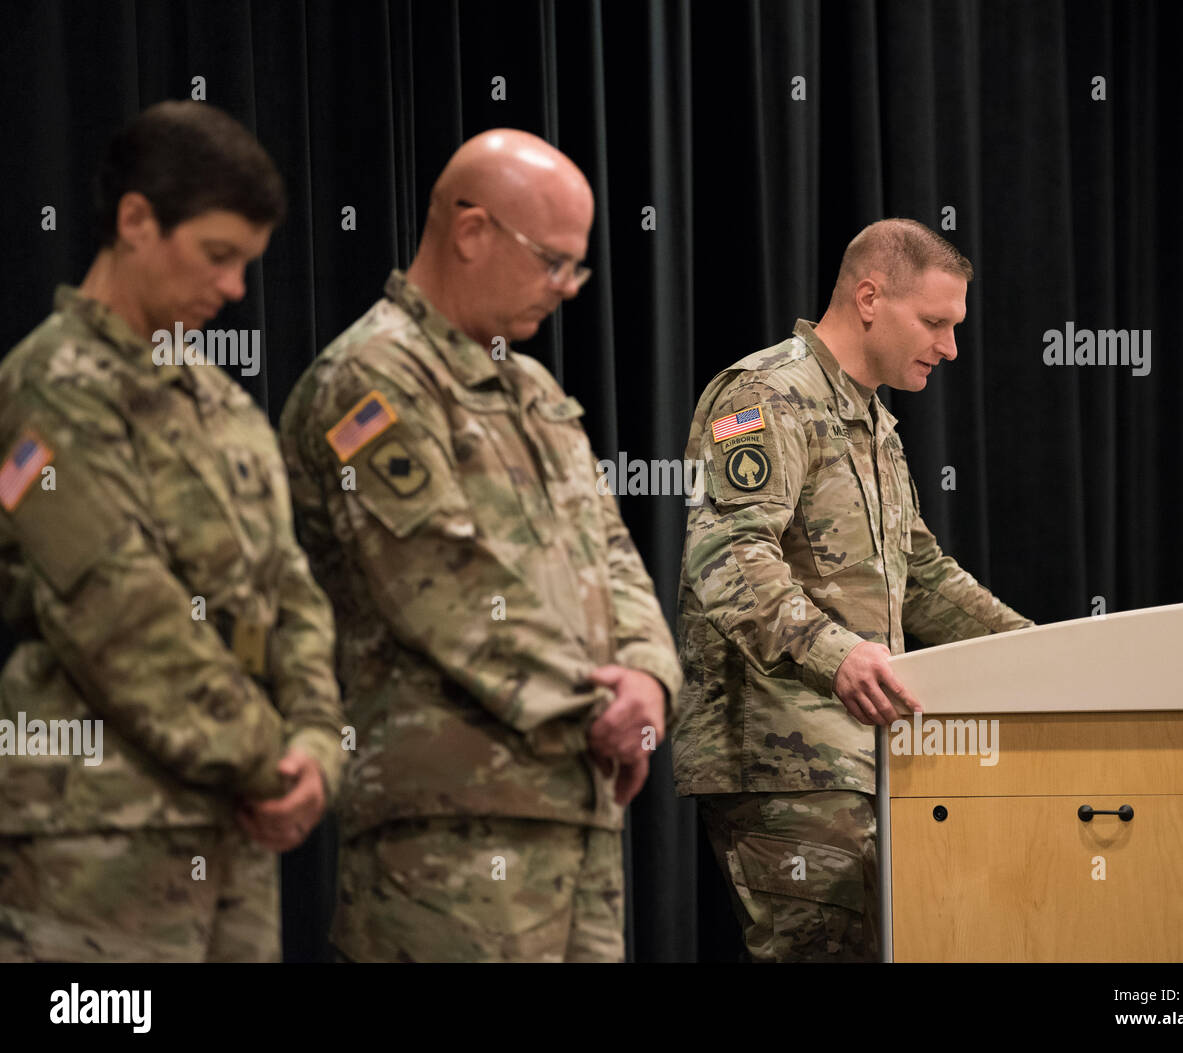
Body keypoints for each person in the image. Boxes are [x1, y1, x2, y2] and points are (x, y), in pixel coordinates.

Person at [280, 128, 681, 963]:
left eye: (578, 266)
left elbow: (612, 550)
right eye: (552, 260)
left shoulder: (532, 390)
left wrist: (649, 679)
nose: (568, 287)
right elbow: (439, 580)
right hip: (449, 826)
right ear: (471, 232)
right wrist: (600, 708)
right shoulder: (371, 380)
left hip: (580, 807)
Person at [0, 101, 343, 963]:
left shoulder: (221, 403)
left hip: (233, 828)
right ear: (136, 221)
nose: (233, 290)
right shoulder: (49, 387)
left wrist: (313, 748)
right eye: (218, 256)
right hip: (100, 835)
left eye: (246, 264)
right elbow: (119, 609)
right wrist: (273, 761)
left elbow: (291, 591)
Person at [675, 218, 1033, 962]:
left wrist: (1041, 650)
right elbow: (729, 557)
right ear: (870, 296)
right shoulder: (765, 394)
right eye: (934, 322)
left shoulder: (874, 422)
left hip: (863, 753)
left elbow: (925, 577)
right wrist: (837, 654)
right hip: (784, 755)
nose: (949, 347)